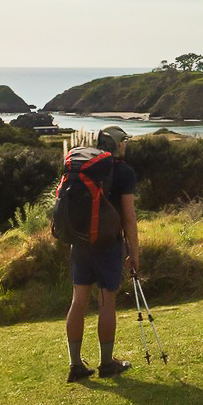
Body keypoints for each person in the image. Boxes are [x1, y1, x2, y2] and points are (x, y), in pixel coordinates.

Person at [65, 125, 140, 383]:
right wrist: (134, 251)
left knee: (79, 301)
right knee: (106, 302)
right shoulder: (123, 171)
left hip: (80, 243)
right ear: (118, 144)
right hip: (108, 244)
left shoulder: (84, 167)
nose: (126, 146)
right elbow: (129, 216)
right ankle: (107, 363)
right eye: (125, 142)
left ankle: (76, 365)